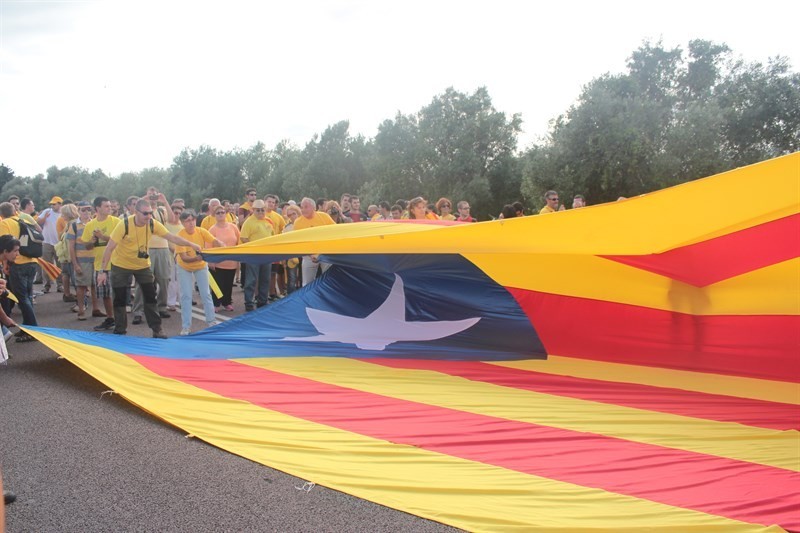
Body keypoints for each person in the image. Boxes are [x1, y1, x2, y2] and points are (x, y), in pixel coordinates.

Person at [96, 198, 201, 338]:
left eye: (150, 213)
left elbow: (172, 237)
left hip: (142, 265)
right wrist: (102, 272)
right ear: (136, 212)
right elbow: (109, 248)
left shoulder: (152, 223)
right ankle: (120, 330)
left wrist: (192, 244)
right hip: (121, 265)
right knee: (119, 299)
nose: (149, 216)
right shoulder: (124, 224)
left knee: (150, 297)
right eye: (145, 213)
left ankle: (157, 329)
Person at [174, 210, 223, 335]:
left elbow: (214, 241)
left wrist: (223, 246)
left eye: (193, 220)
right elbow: (184, 258)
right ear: (182, 223)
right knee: (186, 296)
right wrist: (197, 258)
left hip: (201, 265)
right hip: (184, 266)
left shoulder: (201, 231)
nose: (191, 223)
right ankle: (186, 327)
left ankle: (211, 322)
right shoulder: (180, 236)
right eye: (187, 221)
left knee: (206, 293)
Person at [132, 188, 175, 325]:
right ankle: (138, 311)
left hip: (162, 247)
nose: (153, 197)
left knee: (164, 279)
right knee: (142, 281)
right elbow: (134, 211)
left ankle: (162, 307)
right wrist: (145, 198)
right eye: (151, 194)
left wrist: (165, 200)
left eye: (155, 194)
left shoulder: (161, 210)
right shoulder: (142, 210)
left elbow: (173, 218)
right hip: (146, 248)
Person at [0, 202, 38, 342]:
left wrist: (5, 265)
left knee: (21, 298)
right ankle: (28, 328)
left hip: (18, 265)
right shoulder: (24, 219)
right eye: (16, 250)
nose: (17, 252)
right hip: (32, 261)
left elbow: (4, 245)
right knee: (27, 297)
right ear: (14, 211)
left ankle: (31, 328)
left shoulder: (5, 224)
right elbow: (38, 230)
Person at [82, 196, 120, 330]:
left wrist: (102, 236)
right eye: (106, 206)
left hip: (116, 262)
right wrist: (92, 241)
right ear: (98, 208)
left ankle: (119, 319)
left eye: (110, 206)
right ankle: (111, 318)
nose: (110, 208)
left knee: (118, 293)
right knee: (105, 294)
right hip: (99, 264)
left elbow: (120, 240)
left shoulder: (116, 221)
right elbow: (86, 246)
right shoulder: (90, 225)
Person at [240, 199, 274, 311]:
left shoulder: (268, 221)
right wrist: (254, 247)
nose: (260, 212)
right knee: (251, 280)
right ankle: (249, 302)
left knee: (265, 279)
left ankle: (262, 301)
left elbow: (273, 236)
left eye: (262, 210)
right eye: (258, 210)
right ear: (253, 210)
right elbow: (243, 238)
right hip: (254, 255)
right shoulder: (249, 222)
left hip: (267, 254)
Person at [294, 198, 336, 286]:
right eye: (302, 207)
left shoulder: (324, 217)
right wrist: (311, 254)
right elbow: (299, 242)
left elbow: (335, 232)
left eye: (306, 207)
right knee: (306, 283)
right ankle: (307, 299)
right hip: (308, 255)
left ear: (313, 207)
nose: (303, 210)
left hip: (325, 253)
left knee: (329, 280)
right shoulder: (298, 222)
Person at [66, 202, 96, 320]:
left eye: (89, 210)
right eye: (83, 210)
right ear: (78, 211)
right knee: (81, 286)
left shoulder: (94, 223)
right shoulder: (73, 225)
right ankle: (81, 311)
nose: (86, 212)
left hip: (95, 258)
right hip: (82, 260)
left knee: (95, 285)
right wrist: (75, 264)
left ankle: (95, 309)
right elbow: (71, 247)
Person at [208, 205, 240, 311]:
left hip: (232, 261)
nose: (221, 214)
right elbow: (208, 246)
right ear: (214, 215)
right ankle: (216, 304)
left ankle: (227, 302)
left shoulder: (233, 227)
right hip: (218, 262)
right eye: (218, 213)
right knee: (218, 284)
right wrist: (210, 261)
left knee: (228, 284)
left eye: (222, 212)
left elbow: (239, 241)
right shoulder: (212, 230)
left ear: (226, 214)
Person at [36, 196, 63, 293]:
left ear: (60, 204)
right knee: (46, 265)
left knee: (59, 265)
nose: (52, 206)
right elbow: (37, 222)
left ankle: (60, 285)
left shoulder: (63, 214)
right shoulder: (47, 211)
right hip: (47, 241)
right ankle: (46, 285)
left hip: (58, 243)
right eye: (51, 204)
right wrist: (44, 217)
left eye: (54, 204)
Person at [282, 205, 302, 294]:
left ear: (298, 213)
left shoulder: (304, 223)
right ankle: (290, 298)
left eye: (294, 214)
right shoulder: (287, 227)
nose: (292, 216)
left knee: (303, 278)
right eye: (289, 215)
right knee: (292, 278)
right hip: (291, 255)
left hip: (304, 253)